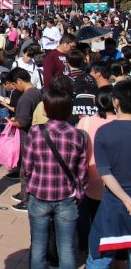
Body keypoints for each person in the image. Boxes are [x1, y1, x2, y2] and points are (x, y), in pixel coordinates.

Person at [23, 89, 87, 269]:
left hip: (40, 194)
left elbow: (27, 165)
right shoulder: (76, 134)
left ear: (46, 110)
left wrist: (29, 184)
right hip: (67, 197)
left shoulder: (35, 131)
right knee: (66, 248)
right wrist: (79, 192)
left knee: (38, 246)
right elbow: (81, 171)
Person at [84, 80, 131, 267]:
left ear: (116, 102)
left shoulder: (105, 132)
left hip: (114, 204)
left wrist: (126, 199)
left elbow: (105, 172)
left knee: (100, 256)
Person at [76, 86, 115, 255]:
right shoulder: (122, 123)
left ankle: (85, 246)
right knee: (107, 218)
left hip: (89, 177)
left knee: (85, 215)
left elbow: (78, 149)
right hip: (114, 180)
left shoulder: (86, 121)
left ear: (95, 101)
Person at [4, 68, 42, 212]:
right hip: (34, 133)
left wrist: (10, 122)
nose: (14, 88)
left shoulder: (26, 97)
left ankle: (26, 199)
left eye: (14, 84)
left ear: (20, 80)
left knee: (26, 169)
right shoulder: (36, 92)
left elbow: (23, 122)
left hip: (27, 135)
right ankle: (23, 194)